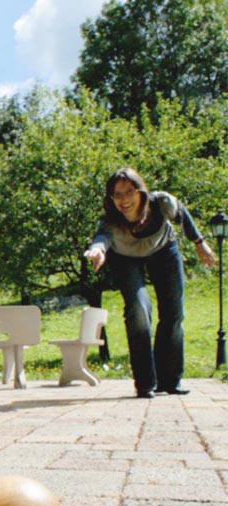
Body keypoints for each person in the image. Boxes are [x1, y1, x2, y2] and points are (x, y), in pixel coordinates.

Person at [84, 168, 214, 398]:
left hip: (164, 250)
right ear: (111, 198)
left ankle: (170, 380)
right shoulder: (110, 220)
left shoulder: (160, 203)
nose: (124, 200)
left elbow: (181, 211)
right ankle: (145, 383)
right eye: (117, 195)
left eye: (129, 192)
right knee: (138, 310)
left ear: (140, 191)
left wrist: (199, 242)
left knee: (173, 314)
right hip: (125, 259)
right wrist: (97, 251)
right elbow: (101, 239)